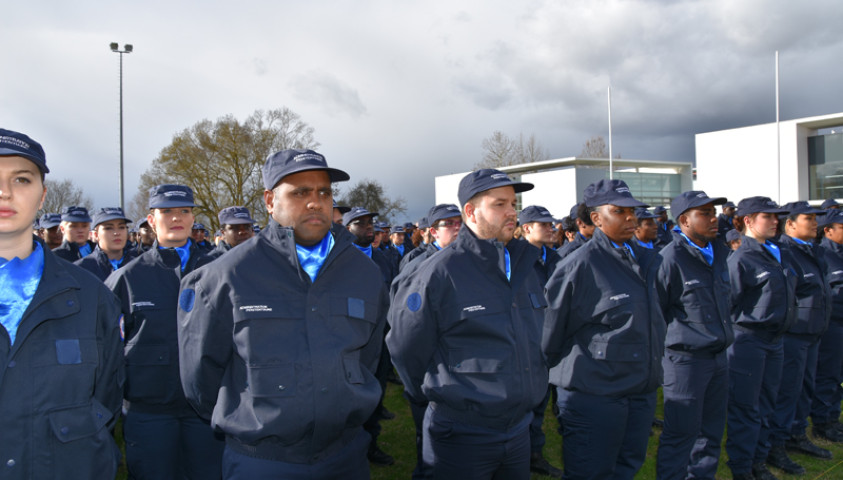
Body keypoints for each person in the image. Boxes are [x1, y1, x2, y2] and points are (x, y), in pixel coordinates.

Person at [178, 149, 387, 479]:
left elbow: (368, 358)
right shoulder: (225, 276)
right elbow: (200, 378)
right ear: (269, 201)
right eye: (300, 192)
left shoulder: (366, 273)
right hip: (263, 461)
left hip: (345, 455)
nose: (315, 202)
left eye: (324, 192)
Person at [388, 169, 547, 479]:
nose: (511, 212)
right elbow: (406, 348)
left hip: (518, 429)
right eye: (499, 204)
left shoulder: (525, 265)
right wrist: (442, 396)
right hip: (462, 434)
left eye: (513, 204)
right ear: (471, 212)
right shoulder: (438, 272)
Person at [0, 128, 124, 478]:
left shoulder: (93, 296)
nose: (4, 192)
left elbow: (106, 397)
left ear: (42, 196)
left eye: (21, 179)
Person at [543, 179, 665, 480]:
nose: (630, 218)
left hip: (639, 389)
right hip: (595, 393)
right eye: (619, 211)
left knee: (627, 465)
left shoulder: (646, 259)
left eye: (632, 211)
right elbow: (551, 332)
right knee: (590, 471)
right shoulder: (579, 265)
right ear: (596, 218)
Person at [106, 184, 222, 479]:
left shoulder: (219, 271)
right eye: (167, 211)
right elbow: (107, 349)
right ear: (151, 219)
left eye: (184, 210)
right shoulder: (127, 278)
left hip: (206, 409)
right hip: (149, 412)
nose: (176, 218)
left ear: (193, 218)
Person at [654, 191, 734, 480]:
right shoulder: (669, 259)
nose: (714, 219)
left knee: (711, 432)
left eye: (714, 213)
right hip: (685, 362)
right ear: (685, 221)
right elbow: (657, 314)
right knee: (681, 434)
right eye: (705, 214)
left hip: (718, 358)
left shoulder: (719, 253)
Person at [725, 196, 797, 480]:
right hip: (748, 341)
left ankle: (759, 459)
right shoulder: (741, 258)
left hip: (774, 341)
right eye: (768, 216)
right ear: (748, 220)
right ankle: (742, 467)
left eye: (776, 216)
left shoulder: (776, 252)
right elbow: (728, 305)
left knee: (767, 403)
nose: (775, 221)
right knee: (746, 407)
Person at [766, 201, 832, 475]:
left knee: (804, 388)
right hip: (793, 334)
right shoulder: (784, 252)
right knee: (787, 390)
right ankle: (776, 444)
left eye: (816, 218)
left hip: (812, 332)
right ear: (790, 224)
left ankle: (796, 433)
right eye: (809, 219)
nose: (815, 223)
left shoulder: (812, 250)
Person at [342, 205, 396, 466]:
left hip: (380, 334)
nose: (369, 227)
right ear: (347, 228)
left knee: (376, 387)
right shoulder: (340, 260)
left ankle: (371, 444)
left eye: (370, 222)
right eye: (361, 223)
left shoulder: (382, 258)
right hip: (351, 339)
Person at [516, 204, 563, 478]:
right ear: (526, 229)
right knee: (526, 404)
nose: (550, 228)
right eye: (543, 224)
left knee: (541, 401)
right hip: (527, 341)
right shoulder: (514, 260)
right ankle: (521, 455)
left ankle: (534, 453)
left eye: (550, 223)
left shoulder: (557, 258)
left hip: (552, 339)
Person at [811, 210, 843, 440]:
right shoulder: (822, 255)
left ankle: (833, 417)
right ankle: (822, 422)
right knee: (828, 373)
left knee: (838, 374)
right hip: (831, 323)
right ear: (828, 231)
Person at [74, 207, 136, 282]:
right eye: (109, 228)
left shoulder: (139, 266)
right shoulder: (81, 269)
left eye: (121, 227)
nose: (117, 233)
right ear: (95, 235)